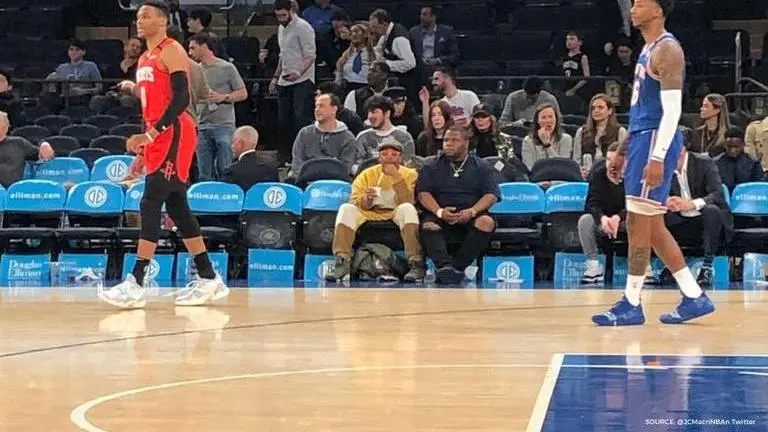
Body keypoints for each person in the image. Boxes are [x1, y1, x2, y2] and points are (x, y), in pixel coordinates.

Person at [592, 0, 715, 326]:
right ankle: (693, 295)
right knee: (654, 225)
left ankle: (632, 302)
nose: (633, 8)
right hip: (642, 139)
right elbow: (642, 110)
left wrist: (658, 157)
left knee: (637, 223)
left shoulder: (668, 50)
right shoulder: (647, 49)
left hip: (656, 141)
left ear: (658, 10)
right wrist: (623, 148)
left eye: (641, 3)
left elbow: (672, 112)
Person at [99, 1, 228, 309]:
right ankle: (209, 278)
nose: (139, 20)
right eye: (137, 16)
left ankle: (136, 281)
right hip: (158, 135)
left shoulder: (172, 50)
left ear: (163, 21)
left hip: (176, 131)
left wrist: (153, 135)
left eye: (146, 15)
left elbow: (181, 98)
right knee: (177, 206)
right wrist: (145, 149)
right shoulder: (143, 58)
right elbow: (150, 109)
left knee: (151, 199)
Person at [325, 138, 425, 282]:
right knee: (346, 209)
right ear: (379, 157)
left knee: (408, 209)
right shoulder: (367, 174)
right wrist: (367, 200)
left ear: (400, 157)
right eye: (385, 154)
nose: (389, 157)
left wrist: (396, 176)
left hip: (395, 211)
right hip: (369, 211)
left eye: (394, 154)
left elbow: (408, 200)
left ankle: (416, 263)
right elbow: (355, 200)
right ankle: (342, 261)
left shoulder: (411, 174)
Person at [416, 126, 500, 285]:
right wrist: (439, 211)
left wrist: (472, 211)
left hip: (472, 213)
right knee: (428, 225)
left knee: (486, 222)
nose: (448, 144)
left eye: (454, 140)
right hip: (439, 213)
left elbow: (491, 195)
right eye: (446, 140)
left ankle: (457, 268)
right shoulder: (431, 166)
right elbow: (423, 193)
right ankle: (444, 266)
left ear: (466, 143)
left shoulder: (482, 166)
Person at [665, 145, 731, 287]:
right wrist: (668, 201)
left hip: (705, 217)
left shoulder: (704, 162)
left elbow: (717, 194)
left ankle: (706, 267)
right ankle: (672, 266)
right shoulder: (663, 166)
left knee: (711, 211)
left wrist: (691, 204)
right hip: (680, 217)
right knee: (658, 215)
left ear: (682, 149)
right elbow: (656, 192)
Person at [579, 141, 627, 284]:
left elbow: (634, 205)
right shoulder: (598, 175)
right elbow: (592, 204)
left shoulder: (633, 177)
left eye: (616, 160)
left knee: (640, 219)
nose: (611, 164)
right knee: (585, 220)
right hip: (604, 221)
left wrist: (618, 218)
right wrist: (602, 218)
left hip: (626, 220)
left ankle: (644, 268)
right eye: (608, 159)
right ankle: (593, 267)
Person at [0, 111, 55, 188]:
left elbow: (41, 154)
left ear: (5, 127)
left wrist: (44, 144)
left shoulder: (18, 143)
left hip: (13, 194)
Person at [222, 126, 279, 193]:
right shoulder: (271, 168)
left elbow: (226, 198)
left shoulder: (232, 171)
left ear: (240, 143)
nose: (231, 146)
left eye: (233, 142)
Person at [715, 126, 765, 192]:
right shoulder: (715, 163)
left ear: (743, 145)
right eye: (729, 146)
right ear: (724, 144)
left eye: (736, 147)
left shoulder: (753, 163)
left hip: (747, 199)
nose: (732, 150)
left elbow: (759, 188)